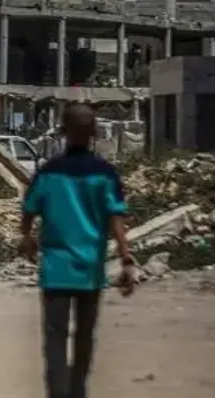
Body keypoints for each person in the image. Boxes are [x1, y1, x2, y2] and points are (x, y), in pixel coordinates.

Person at [20, 102, 136, 398]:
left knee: (55, 340)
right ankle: (77, 391)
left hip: (56, 270)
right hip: (89, 270)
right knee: (84, 337)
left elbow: (29, 209)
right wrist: (126, 257)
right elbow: (116, 218)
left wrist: (27, 238)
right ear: (94, 133)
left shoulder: (49, 172)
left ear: (64, 132)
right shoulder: (105, 174)